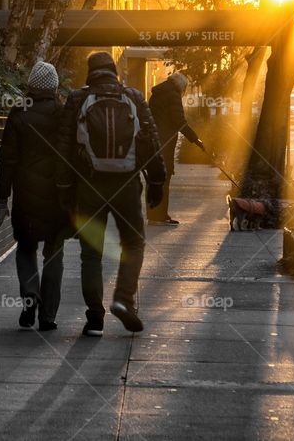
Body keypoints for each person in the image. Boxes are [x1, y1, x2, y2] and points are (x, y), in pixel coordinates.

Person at [56, 52, 166, 336]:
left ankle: (95, 318)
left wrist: (64, 190)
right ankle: (123, 299)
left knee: (91, 254)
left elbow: (64, 148)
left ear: (90, 71)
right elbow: (152, 142)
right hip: (126, 185)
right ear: (114, 71)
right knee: (134, 243)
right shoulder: (134, 97)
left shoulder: (78, 99)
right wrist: (156, 182)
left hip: (89, 185)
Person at [0, 61, 71, 331]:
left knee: (26, 248)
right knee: (54, 253)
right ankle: (47, 316)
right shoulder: (63, 114)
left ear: (31, 85)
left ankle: (29, 295)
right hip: (57, 196)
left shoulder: (19, 113)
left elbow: (7, 160)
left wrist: (1, 197)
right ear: (54, 86)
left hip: (25, 196)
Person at [146, 72, 204, 226]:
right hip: (165, 141)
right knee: (164, 178)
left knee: (154, 177)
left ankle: (153, 214)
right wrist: (195, 139)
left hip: (153, 141)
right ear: (181, 86)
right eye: (185, 89)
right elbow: (179, 121)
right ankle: (160, 216)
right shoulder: (173, 95)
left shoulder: (156, 94)